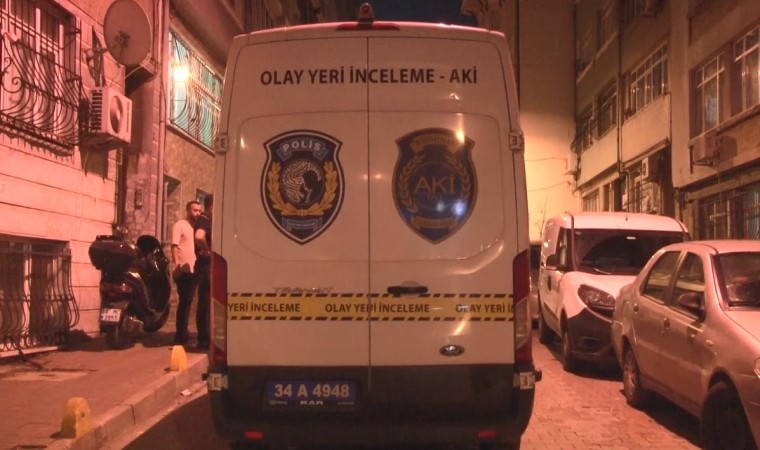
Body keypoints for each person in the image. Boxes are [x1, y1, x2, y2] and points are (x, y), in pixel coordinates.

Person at [171, 200, 201, 345]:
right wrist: (176, 263)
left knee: (190, 302)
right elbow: (174, 246)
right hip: (184, 269)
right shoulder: (180, 225)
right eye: (195, 210)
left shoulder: (197, 228)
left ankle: (185, 332)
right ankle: (180, 335)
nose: (198, 213)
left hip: (195, 268)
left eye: (199, 210)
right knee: (185, 302)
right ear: (188, 211)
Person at [193, 195, 213, 350]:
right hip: (206, 266)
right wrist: (207, 250)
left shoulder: (206, 218)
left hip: (206, 266)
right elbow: (199, 236)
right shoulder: (205, 218)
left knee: (206, 301)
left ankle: (205, 337)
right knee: (205, 302)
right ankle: (203, 339)